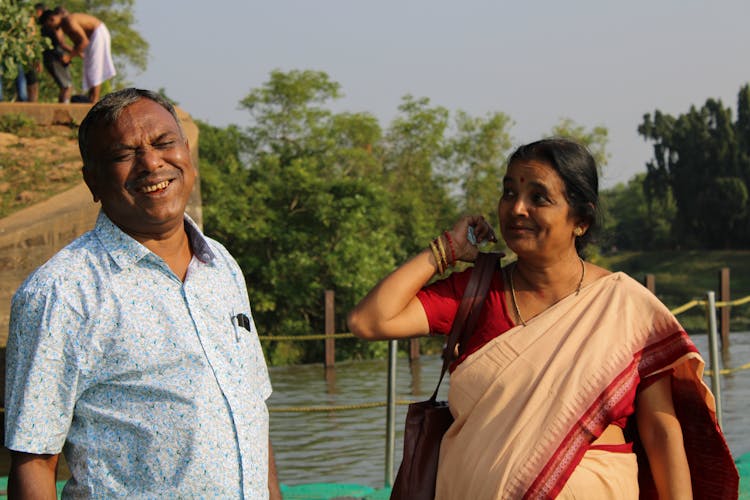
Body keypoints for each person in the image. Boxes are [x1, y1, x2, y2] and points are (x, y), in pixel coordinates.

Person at [348, 138, 738, 499]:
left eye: (539, 197)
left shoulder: (624, 305)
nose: (517, 208)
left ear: (580, 219)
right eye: (509, 192)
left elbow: (661, 430)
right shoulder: (476, 292)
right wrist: (445, 249)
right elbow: (368, 321)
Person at [5, 88, 281, 498]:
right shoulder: (61, 292)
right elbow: (34, 459)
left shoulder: (221, 265)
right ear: (92, 180)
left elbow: (251, 413)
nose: (151, 162)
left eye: (164, 143)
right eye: (123, 154)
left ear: (187, 153)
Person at [40, 9, 115, 102]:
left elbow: (84, 42)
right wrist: (76, 53)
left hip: (97, 34)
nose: (51, 29)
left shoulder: (68, 21)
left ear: (51, 19)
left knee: (94, 68)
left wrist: (69, 57)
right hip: (92, 37)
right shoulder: (64, 26)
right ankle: (92, 98)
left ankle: (94, 100)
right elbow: (77, 42)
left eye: (49, 26)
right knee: (89, 68)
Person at [39, 7, 73, 103]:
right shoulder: (49, 30)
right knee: (67, 86)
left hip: (52, 59)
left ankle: (62, 107)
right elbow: (58, 45)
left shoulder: (48, 30)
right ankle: (64, 109)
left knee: (64, 86)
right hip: (55, 59)